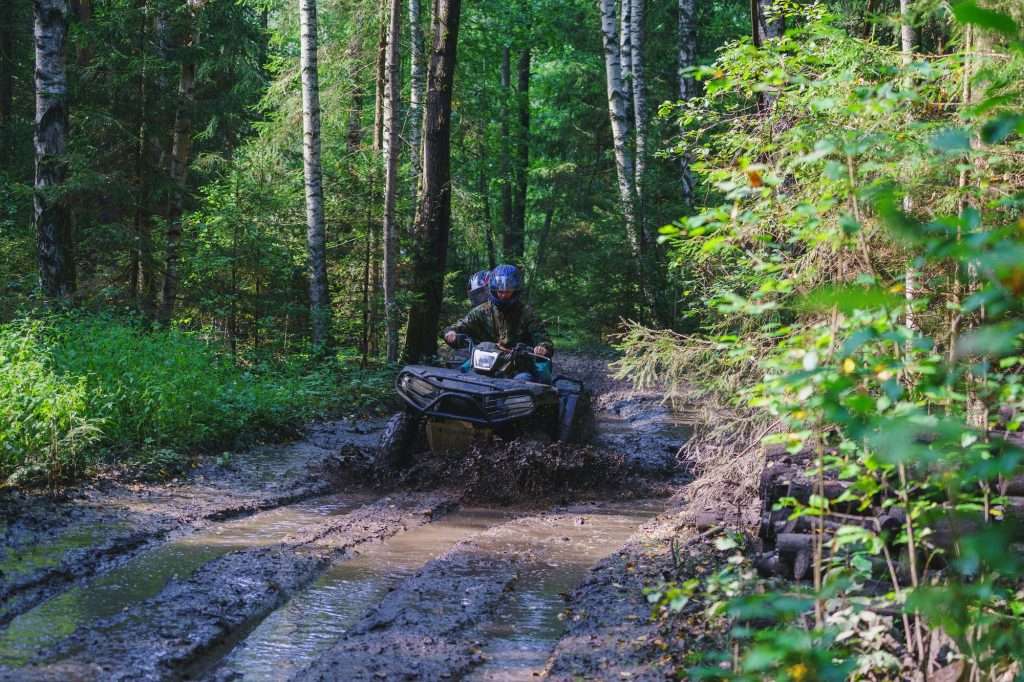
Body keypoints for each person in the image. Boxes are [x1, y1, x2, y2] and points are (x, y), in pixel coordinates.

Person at [444, 264, 553, 380]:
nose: (503, 295)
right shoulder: (482, 310)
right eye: (500, 291)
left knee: (523, 380)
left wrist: (542, 347)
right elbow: (462, 325)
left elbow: (543, 338)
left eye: (507, 291)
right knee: (463, 375)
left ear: (515, 290)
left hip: (518, 364)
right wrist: (451, 332)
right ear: (493, 289)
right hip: (486, 361)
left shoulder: (527, 313)